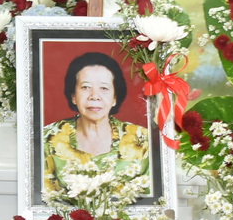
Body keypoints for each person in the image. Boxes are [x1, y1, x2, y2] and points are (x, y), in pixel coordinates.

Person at [41, 51, 151, 202]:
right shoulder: (47, 139)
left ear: (115, 98)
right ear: (73, 96)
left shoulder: (142, 140)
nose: (94, 96)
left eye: (104, 88)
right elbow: (44, 199)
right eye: (85, 87)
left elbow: (148, 200)